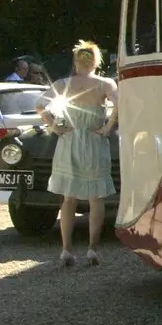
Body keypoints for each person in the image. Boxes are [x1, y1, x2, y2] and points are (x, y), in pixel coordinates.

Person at [39, 41, 118, 269]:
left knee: (69, 198)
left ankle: (66, 250)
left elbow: (40, 105)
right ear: (96, 62)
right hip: (94, 141)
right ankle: (92, 248)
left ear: (75, 61)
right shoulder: (105, 83)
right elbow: (120, 104)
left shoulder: (64, 83)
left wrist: (54, 127)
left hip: (69, 141)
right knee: (96, 198)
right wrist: (107, 127)